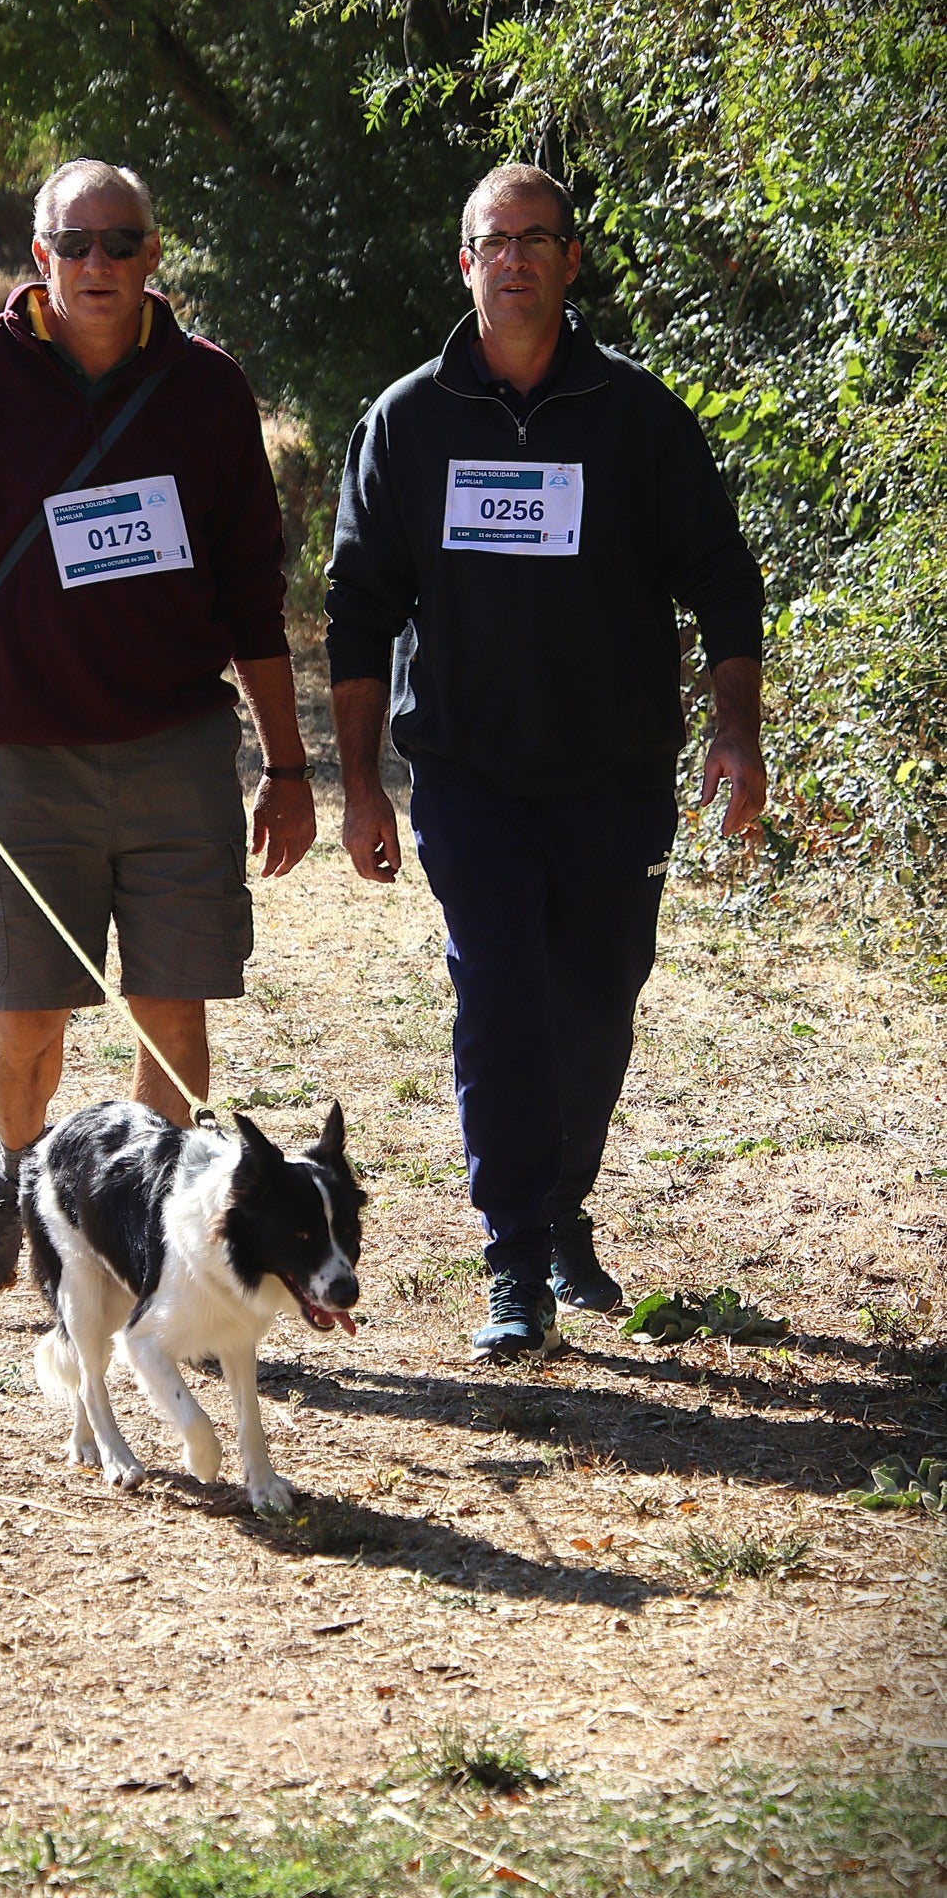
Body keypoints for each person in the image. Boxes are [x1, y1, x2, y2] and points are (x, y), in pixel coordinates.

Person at [325, 162, 765, 1359]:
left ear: (572, 259)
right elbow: (360, 608)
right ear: (463, 262)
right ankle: (514, 1253)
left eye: (535, 238)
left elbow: (722, 577)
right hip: (468, 773)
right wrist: (359, 784)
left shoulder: (638, 416)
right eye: (492, 240)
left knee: (597, 998)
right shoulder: (408, 421)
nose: (513, 257)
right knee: (500, 996)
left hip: (615, 774)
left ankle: (564, 1201)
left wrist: (736, 729)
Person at [0, 158, 317, 1303]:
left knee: (172, 1017)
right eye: (75, 242)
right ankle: (22, 1178)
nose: (98, 262)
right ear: (40, 255)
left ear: (152, 255)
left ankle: (149, 1253)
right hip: (19, 752)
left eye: (121, 242)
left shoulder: (207, 388)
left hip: (176, 750)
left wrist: (287, 761)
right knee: (25, 1015)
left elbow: (253, 590)